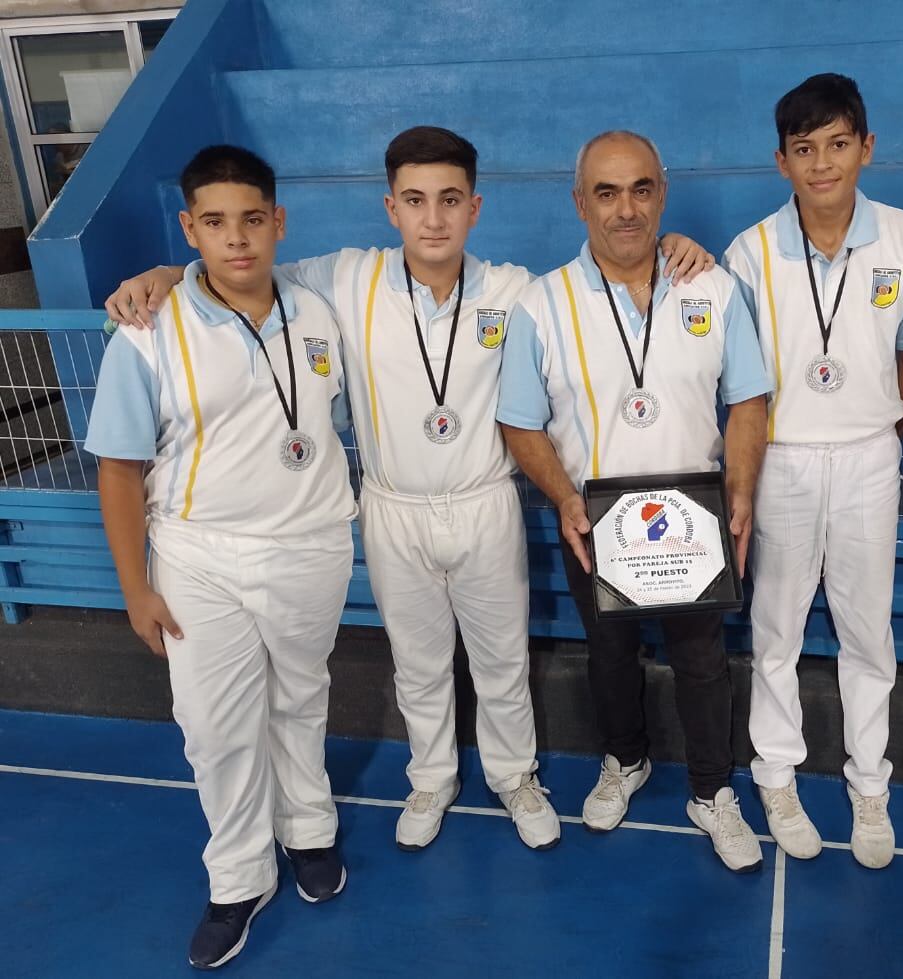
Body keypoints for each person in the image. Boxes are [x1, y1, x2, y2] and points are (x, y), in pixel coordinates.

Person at [104, 127, 714, 856]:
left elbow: (608, 267)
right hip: (392, 507)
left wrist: (677, 245)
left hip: (486, 500)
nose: (434, 219)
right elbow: (240, 265)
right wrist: (166, 273)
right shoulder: (342, 278)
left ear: (475, 208)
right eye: (416, 201)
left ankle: (515, 774)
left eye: (450, 200)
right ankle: (432, 776)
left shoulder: (515, 291)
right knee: (418, 662)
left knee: (501, 659)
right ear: (390, 208)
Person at [87, 145, 356, 969]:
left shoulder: (318, 309)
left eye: (251, 219)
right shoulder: (145, 331)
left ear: (278, 223)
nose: (236, 239)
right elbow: (119, 469)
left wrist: (167, 266)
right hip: (200, 555)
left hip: (312, 541)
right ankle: (239, 876)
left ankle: (308, 830)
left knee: (301, 698)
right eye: (213, 223)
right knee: (214, 725)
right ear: (189, 229)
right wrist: (135, 589)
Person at [497, 130, 772, 873]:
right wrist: (562, 497)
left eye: (641, 189)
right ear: (580, 202)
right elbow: (519, 422)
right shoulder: (540, 303)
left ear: (662, 194)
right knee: (610, 655)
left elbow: (748, 399)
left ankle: (712, 789)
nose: (626, 209)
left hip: (695, 519)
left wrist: (741, 491)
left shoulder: (712, 287)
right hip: (596, 524)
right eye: (608, 192)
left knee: (702, 661)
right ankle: (625, 760)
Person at [723, 73, 903, 867]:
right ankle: (777, 774)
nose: (822, 163)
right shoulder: (748, 252)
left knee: (867, 630)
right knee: (776, 628)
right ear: (781, 160)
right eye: (804, 148)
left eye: (838, 144)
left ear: (867, 147)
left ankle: (870, 783)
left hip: (867, 455)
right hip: (781, 455)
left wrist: (881, 428)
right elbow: (744, 386)